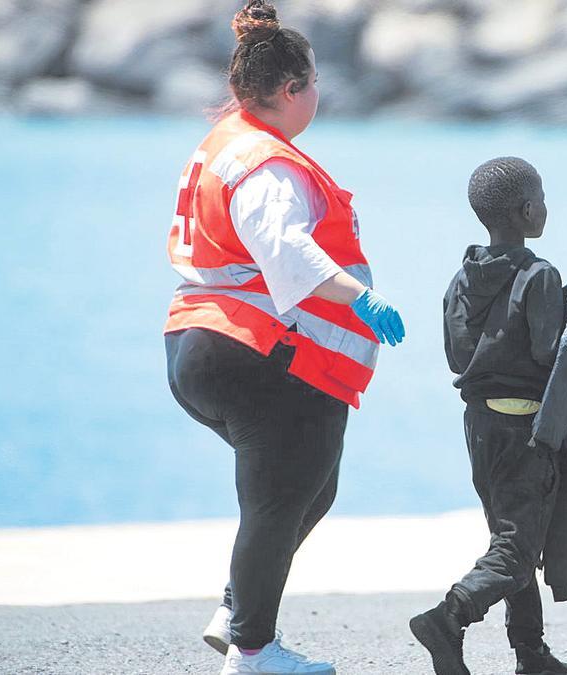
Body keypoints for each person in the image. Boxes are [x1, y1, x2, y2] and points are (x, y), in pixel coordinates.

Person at [162, 2, 403, 673]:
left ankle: (238, 609)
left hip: (194, 344)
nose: (319, 94)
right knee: (279, 493)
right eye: (315, 82)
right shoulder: (268, 165)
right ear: (291, 90)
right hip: (246, 349)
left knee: (306, 487)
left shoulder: (228, 139)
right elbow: (287, 255)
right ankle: (253, 648)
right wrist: (364, 298)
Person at [410, 157, 567, 675]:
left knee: (512, 534)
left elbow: (459, 358)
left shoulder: (461, 277)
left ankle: (531, 653)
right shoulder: (539, 274)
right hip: (527, 429)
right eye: (542, 198)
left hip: (480, 427)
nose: (546, 206)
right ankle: (448, 617)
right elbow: (551, 352)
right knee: (516, 548)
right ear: (528, 210)